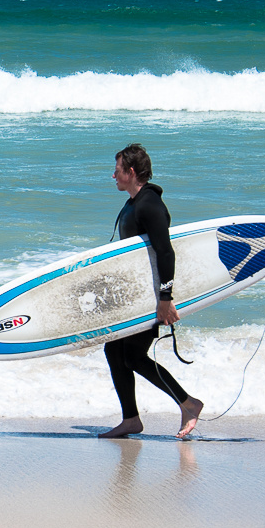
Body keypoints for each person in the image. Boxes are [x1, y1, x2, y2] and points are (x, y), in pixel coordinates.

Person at [98, 143, 206, 440]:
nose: (113, 175)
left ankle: (188, 403)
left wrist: (165, 299)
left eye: (117, 170)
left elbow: (165, 253)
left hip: (152, 297)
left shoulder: (150, 206)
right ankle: (131, 419)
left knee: (132, 356)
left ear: (131, 172)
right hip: (136, 297)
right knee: (114, 351)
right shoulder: (134, 203)